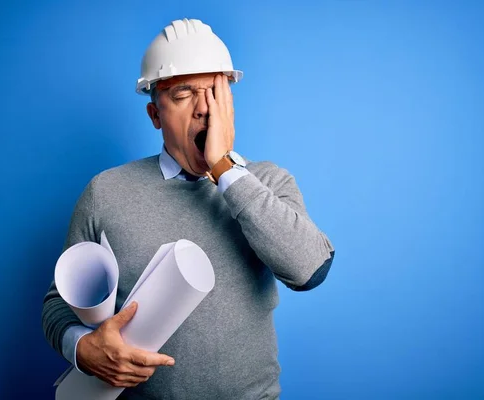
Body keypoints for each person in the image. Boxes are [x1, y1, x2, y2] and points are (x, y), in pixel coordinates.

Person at [42, 18, 335, 400]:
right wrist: (83, 348)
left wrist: (226, 170)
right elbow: (57, 305)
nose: (202, 110)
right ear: (155, 115)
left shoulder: (267, 184)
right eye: (182, 95)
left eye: (214, 92)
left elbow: (310, 270)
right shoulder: (106, 193)